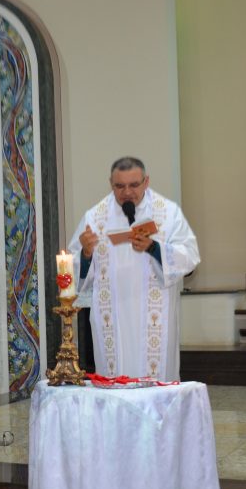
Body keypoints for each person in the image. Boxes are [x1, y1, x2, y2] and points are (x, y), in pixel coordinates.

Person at [68, 157, 200, 380]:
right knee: (114, 382)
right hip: (112, 315)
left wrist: (155, 248)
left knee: (155, 384)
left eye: (134, 185)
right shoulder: (94, 217)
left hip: (154, 317)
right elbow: (71, 270)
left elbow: (190, 256)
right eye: (120, 186)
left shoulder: (168, 213)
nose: (127, 192)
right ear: (111, 183)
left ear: (146, 181)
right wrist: (86, 254)